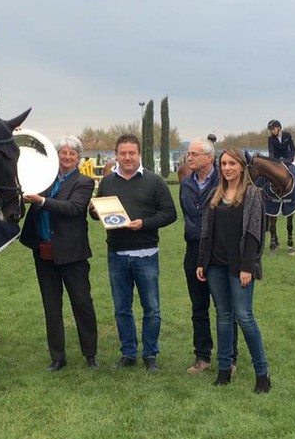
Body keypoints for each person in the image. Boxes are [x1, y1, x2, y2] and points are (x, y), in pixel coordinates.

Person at [92, 134, 177, 374]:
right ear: (116, 155)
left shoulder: (154, 181)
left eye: (131, 153)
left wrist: (145, 223)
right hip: (117, 254)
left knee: (151, 308)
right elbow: (97, 212)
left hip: (146, 253)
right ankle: (128, 352)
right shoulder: (107, 182)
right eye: (122, 153)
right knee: (122, 308)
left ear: (139, 154)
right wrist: (95, 211)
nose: (127, 157)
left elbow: (170, 213)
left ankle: (150, 354)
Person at [20, 136, 99, 372]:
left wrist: (42, 201)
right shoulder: (42, 177)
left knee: (82, 304)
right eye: (63, 153)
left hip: (72, 254)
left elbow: (73, 208)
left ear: (78, 158)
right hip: (43, 251)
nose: (66, 157)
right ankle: (57, 357)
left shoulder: (84, 182)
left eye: (71, 154)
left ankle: (90, 354)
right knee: (51, 306)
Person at [196, 148, 271, 393]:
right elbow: (207, 233)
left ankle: (262, 373)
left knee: (245, 317)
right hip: (215, 265)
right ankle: (224, 370)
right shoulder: (215, 196)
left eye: (232, 164)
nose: (227, 168)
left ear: (241, 167)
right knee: (223, 317)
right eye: (224, 164)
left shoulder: (252, 195)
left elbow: (253, 234)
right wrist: (201, 262)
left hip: (240, 267)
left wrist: (248, 267)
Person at [179, 137, 239, 375]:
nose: (189, 158)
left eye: (194, 154)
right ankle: (202, 356)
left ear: (208, 158)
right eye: (188, 154)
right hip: (193, 250)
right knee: (198, 307)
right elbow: (188, 215)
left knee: (225, 308)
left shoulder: (224, 181)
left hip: (218, 252)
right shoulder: (185, 183)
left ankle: (230, 358)